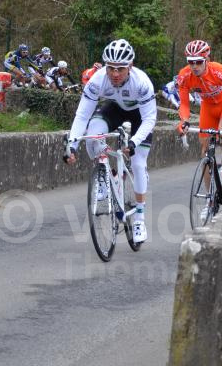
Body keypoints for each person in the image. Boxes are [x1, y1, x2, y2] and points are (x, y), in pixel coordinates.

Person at [64, 39, 155, 244]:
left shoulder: (142, 83)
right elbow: (82, 115)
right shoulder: (97, 80)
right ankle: (106, 175)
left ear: (129, 67)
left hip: (140, 117)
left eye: (120, 69)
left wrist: (134, 143)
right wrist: (72, 145)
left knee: (139, 164)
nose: (115, 74)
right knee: (93, 135)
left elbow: (150, 119)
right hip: (113, 110)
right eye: (111, 68)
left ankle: (139, 218)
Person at [175, 40, 222, 189]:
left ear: (206, 59)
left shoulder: (218, 70)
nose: (194, 66)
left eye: (198, 62)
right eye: (191, 62)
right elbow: (184, 104)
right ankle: (209, 199)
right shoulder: (185, 75)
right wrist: (184, 121)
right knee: (205, 153)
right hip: (207, 108)